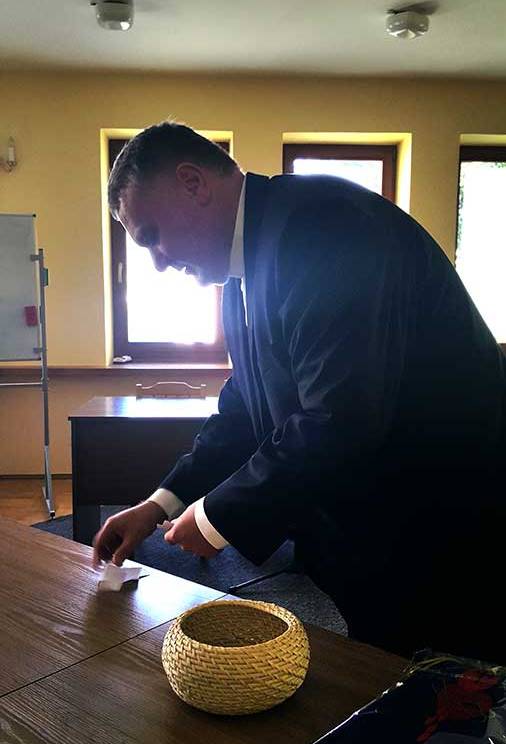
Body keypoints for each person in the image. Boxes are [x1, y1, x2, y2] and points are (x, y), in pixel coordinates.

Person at [94, 121, 506, 662]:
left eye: (151, 236)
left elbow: (341, 419)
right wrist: (159, 503)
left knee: (447, 678)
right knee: (378, 666)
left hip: (443, 518)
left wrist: (216, 516)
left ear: (193, 182)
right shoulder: (243, 270)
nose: (159, 262)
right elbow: (244, 409)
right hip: (373, 521)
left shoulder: (325, 226)